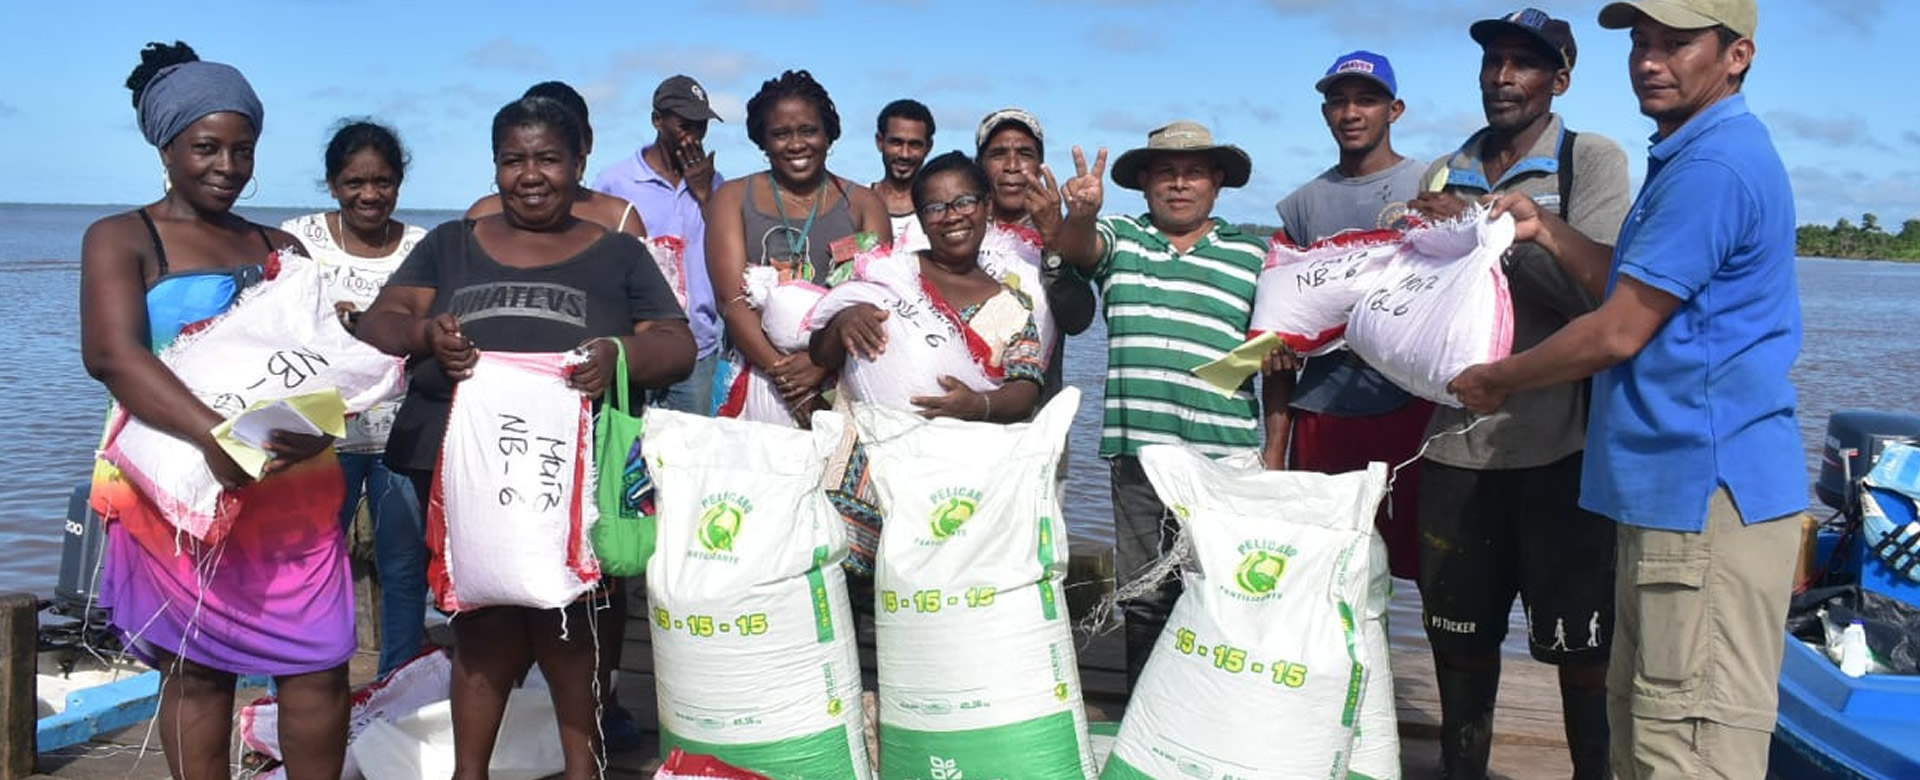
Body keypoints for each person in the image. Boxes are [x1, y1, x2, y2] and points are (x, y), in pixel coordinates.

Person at [1449, 1, 1800, 776]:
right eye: (1642, 43)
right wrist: (1545, 228)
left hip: (1707, 496)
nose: (1649, 60)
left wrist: (1494, 380)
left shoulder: (1714, 166)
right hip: (1663, 498)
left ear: (1736, 55)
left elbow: (1617, 330)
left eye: (1676, 44)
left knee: (1689, 744)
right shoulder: (1687, 154)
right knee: (1644, 725)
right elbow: (1633, 284)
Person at [356, 96, 694, 778]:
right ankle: (469, 771)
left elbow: (676, 343)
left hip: (572, 476)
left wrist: (618, 355)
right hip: (458, 466)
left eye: (547, 158)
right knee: (481, 627)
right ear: (495, 166)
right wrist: (427, 336)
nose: (530, 175)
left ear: (579, 164)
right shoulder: (450, 243)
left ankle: (582, 767)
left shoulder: (621, 253)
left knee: (574, 624)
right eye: (513, 160)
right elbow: (379, 321)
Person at [82, 41, 349, 778]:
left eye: (243, 149)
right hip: (180, 502)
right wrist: (214, 436)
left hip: (291, 496)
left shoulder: (282, 246)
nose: (227, 166)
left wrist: (321, 417)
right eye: (206, 147)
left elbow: (318, 360)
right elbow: (113, 355)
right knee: (197, 672)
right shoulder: (122, 238)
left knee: (321, 669)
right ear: (166, 147)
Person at [1403, 10, 1632, 779]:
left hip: (1560, 450)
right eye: (1494, 61)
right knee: (1459, 644)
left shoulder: (1588, 162)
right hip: (1454, 446)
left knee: (1582, 651)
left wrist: (1476, 232)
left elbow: (1594, 296)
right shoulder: (1443, 168)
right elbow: (1402, 294)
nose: (1503, 77)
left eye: (1524, 64)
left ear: (1559, 79)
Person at [1054, 121, 1278, 688]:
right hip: (1139, 456)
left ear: (1217, 182)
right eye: (1166, 173)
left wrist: (1276, 450)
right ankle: (1142, 722)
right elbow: (1079, 250)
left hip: (1224, 460)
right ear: (1146, 183)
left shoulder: (1254, 254)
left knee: (1224, 596)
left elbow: (1278, 352)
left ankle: (1210, 717)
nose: (1180, 184)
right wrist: (1078, 213)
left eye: (1194, 172)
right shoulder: (1122, 237)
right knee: (1145, 594)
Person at [1269, 50, 1432, 581]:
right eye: (1338, 101)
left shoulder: (1431, 185)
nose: (1351, 112)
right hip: (1323, 411)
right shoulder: (1302, 204)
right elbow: (1278, 332)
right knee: (1322, 569)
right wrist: (1275, 446)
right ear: (1325, 113)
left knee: (1421, 568)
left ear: (1395, 109)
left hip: (1411, 408)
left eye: (1366, 100)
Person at [281, 120, 431, 681]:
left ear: (399, 182)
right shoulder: (300, 241)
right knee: (308, 565)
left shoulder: (422, 247)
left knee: (404, 565)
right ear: (332, 183)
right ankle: (303, 681)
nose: (370, 194)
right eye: (355, 182)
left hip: (402, 434)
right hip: (324, 438)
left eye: (383, 181)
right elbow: (278, 329)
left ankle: (398, 684)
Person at [704, 69, 890, 423]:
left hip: (840, 377)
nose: (796, 144)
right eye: (780, 134)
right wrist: (788, 376)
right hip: (753, 375)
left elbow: (876, 300)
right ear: (762, 140)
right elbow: (731, 301)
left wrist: (820, 364)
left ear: (829, 134)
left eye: (808, 130)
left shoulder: (865, 205)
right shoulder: (731, 198)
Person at [812, 151, 1045, 422]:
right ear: (921, 220)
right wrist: (843, 322)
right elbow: (821, 355)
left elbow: (1026, 391)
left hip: (956, 456)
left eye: (965, 202)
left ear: (988, 207)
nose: (952, 216)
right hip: (871, 454)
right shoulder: (888, 273)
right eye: (935, 208)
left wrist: (978, 406)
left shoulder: (1010, 308)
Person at [593, 75, 725, 415]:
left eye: (700, 126)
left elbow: (725, 248)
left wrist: (704, 192)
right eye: (684, 125)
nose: (693, 136)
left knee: (686, 459)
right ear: (657, 120)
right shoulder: (616, 181)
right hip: (636, 342)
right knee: (627, 452)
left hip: (698, 346)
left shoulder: (715, 183)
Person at [972, 108, 1098, 402]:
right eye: (998, 153)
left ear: (1040, 165)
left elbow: (1078, 320)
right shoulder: (959, 225)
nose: (1012, 166)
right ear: (979, 164)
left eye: (1025, 154)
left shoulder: (1066, 232)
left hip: (1035, 418)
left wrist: (1054, 241)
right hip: (961, 411)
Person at [468, 81, 648, 239]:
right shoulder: (481, 216)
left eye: (548, 157)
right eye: (517, 159)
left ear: (588, 140)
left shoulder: (618, 218)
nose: (532, 175)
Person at [870, 98, 935, 245]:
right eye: (896, 143)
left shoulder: (941, 209)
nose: (904, 154)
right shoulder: (857, 204)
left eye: (915, 145)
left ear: (928, 147)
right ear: (880, 141)